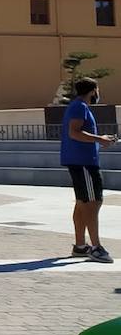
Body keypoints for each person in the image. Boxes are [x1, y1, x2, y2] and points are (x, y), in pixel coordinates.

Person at [62, 78, 114, 263]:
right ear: (93, 91)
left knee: (82, 202)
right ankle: (96, 247)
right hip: (84, 162)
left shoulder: (77, 106)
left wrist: (101, 139)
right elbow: (74, 132)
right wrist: (100, 139)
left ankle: (80, 246)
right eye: (97, 90)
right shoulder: (80, 107)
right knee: (93, 202)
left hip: (79, 161)